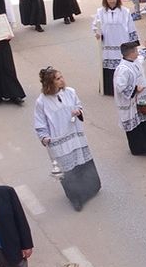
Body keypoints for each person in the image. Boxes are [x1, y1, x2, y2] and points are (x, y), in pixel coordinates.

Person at [33, 67, 102, 211]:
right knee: (68, 170)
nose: (62, 80)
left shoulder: (70, 92)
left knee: (82, 163)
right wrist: (44, 137)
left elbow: (78, 105)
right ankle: (75, 198)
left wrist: (78, 111)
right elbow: (40, 122)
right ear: (49, 83)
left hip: (75, 134)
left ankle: (91, 187)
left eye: (61, 76)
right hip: (59, 139)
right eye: (57, 79)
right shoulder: (42, 101)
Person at [91, 0, 137, 97]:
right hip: (108, 44)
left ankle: (126, 88)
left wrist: (134, 43)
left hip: (122, 43)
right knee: (108, 67)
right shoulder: (100, 12)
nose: (112, 1)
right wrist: (97, 33)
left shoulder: (125, 12)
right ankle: (109, 89)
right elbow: (95, 26)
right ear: (105, 0)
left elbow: (131, 27)